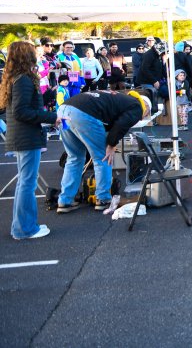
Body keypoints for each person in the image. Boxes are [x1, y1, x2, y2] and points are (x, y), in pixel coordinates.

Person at [56, 89, 151, 213]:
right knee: (103, 157)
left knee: (74, 157)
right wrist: (111, 145)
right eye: (147, 114)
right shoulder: (137, 106)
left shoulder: (121, 98)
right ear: (147, 107)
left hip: (63, 110)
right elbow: (121, 125)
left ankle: (65, 200)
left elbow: (109, 122)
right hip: (83, 113)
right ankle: (103, 199)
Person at [1, 41, 58, 239]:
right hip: (26, 137)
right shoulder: (24, 79)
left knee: (25, 183)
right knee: (27, 183)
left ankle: (22, 227)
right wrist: (53, 117)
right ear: (27, 55)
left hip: (22, 136)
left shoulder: (15, 78)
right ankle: (25, 229)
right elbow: (21, 111)